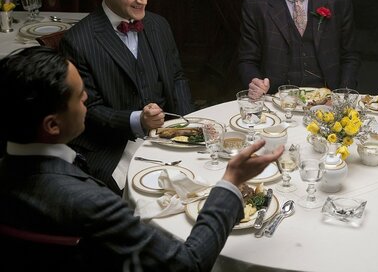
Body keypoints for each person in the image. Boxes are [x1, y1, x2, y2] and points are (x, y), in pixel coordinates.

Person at [0, 46, 283, 271]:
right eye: (80, 96)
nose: (88, 97)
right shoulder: (90, 203)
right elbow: (188, 263)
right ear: (52, 125)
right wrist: (231, 183)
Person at [60, 0, 194, 194]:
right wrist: (137, 121)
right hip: (114, 145)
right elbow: (89, 110)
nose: (143, 0)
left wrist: (189, 125)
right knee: (147, 194)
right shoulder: (78, 40)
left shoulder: (159, 25)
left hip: (170, 134)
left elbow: (177, 79)